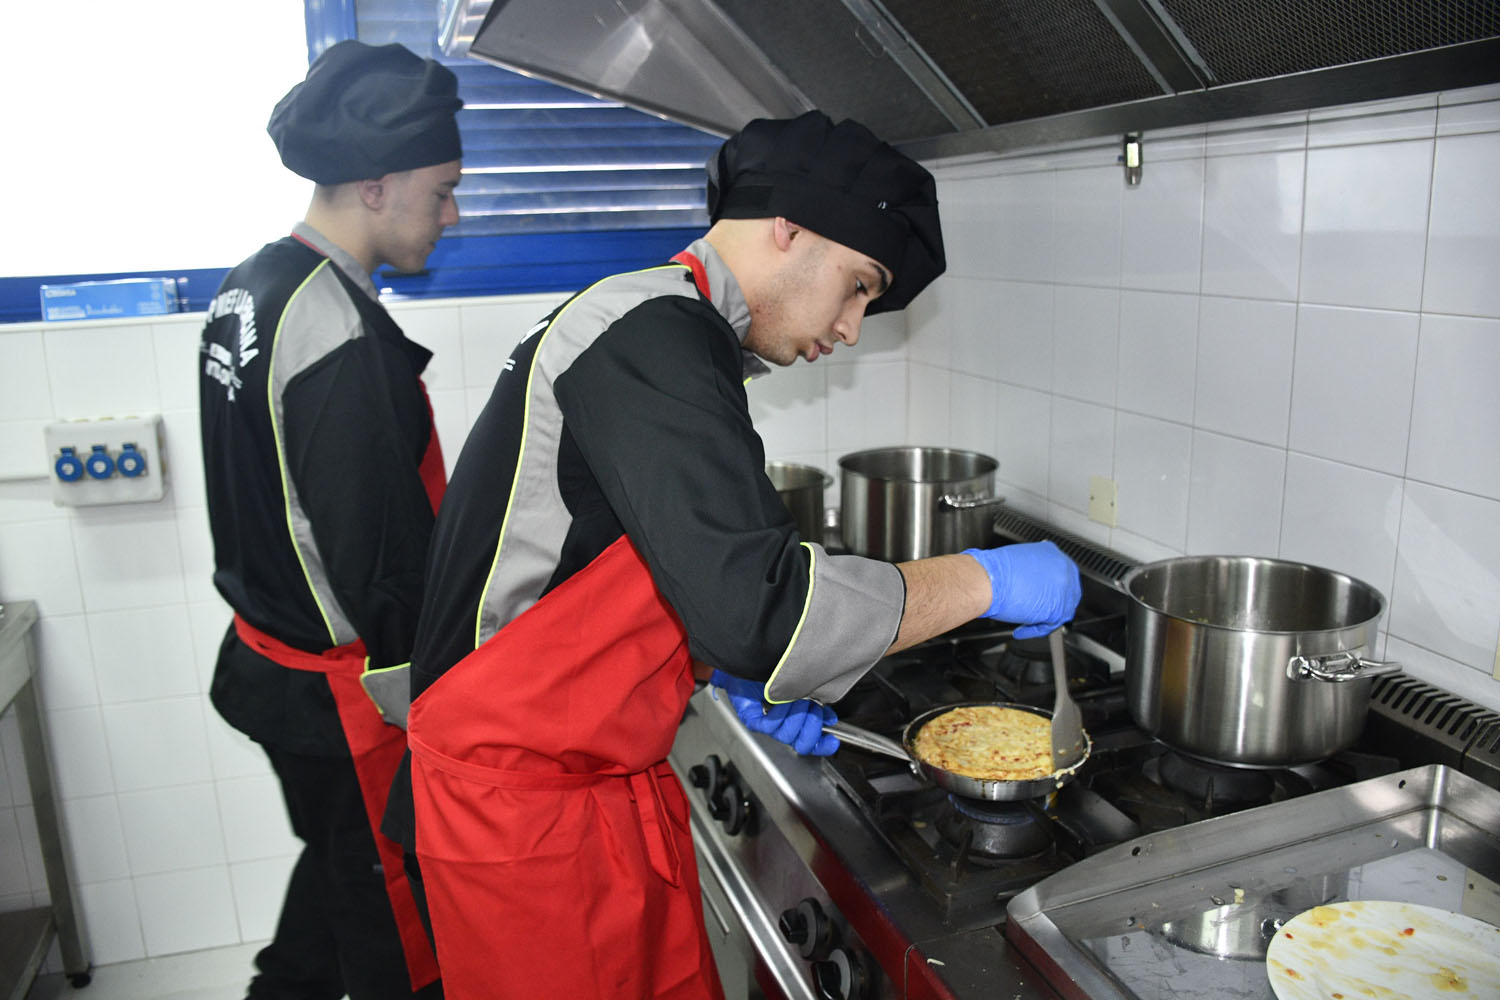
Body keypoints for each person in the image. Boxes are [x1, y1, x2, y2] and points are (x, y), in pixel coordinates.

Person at [381, 110, 1080, 1000]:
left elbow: (617, 566)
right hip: (527, 828)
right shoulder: (648, 333)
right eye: (858, 287)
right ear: (790, 227)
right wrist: (986, 578)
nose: (851, 328)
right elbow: (762, 610)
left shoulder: (662, 331)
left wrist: (719, 669)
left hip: (576, 788)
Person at [197, 39, 462, 1000]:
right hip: (341, 693)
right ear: (377, 186)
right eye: (442, 192)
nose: (453, 214)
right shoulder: (337, 335)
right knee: (398, 932)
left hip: (267, 657)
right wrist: (438, 691)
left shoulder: (252, 283)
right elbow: (377, 554)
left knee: (336, 871)